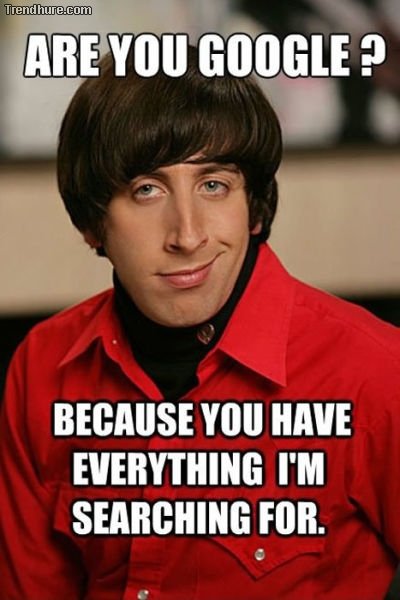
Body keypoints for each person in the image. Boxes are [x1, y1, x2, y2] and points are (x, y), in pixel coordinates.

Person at [1, 45, 400, 600]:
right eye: (146, 190)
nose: (187, 236)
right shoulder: (43, 366)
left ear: (253, 207)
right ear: (93, 224)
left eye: (214, 185)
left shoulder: (375, 371)